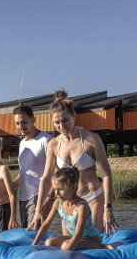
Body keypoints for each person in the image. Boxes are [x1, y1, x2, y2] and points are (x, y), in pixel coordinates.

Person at [33, 90, 119, 234]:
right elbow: (46, 178)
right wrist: (38, 210)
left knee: (92, 240)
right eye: (57, 122)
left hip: (93, 197)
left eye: (65, 120)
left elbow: (106, 175)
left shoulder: (91, 139)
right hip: (68, 202)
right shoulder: (53, 144)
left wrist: (108, 208)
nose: (61, 126)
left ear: (74, 116)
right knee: (69, 245)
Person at [32, 167, 111, 250]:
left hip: (91, 239)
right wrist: (34, 245)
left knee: (65, 245)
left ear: (73, 187)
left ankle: (102, 246)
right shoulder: (58, 202)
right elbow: (46, 225)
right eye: (55, 189)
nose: (56, 193)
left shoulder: (81, 206)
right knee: (49, 242)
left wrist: (66, 251)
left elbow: (78, 234)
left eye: (60, 189)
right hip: (73, 237)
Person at [12, 104, 52, 230]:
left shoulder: (46, 140)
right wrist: (9, 185)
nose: (21, 126)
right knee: (26, 235)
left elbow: (55, 172)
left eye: (24, 122)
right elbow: (24, 171)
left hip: (38, 197)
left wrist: (49, 197)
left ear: (33, 119)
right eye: (17, 123)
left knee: (34, 236)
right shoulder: (22, 143)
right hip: (23, 197)